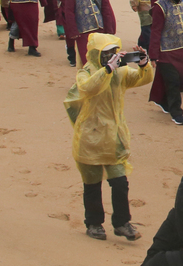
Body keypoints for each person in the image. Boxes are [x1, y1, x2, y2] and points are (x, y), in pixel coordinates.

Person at [64, 32, 153, 241]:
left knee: (120, 183)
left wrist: (143, 64)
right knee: (92, 184)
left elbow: (143, 79)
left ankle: (122, 223)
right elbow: (88, 88)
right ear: (96, 55)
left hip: (114, 137)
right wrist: (107, 70)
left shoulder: (120, 72)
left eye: (114, 52)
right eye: (106, 53)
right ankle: (94, 223)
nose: (112, 56)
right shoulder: (86, 72)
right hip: (90, 138)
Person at [60, 0, 105, 67]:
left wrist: (109, 26)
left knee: (101, 57)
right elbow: (69, 12)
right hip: (83, 30)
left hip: (99, 26)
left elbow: (105, 7)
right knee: (86, 59)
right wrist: (73, 31)